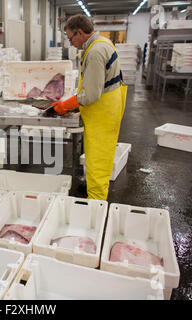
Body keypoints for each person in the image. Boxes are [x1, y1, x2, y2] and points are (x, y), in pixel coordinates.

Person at [52, 14, 127, 201]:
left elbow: (92, 94)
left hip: (102, 113)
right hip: (105, 108)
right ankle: (93, 191)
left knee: (97, 162)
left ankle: (96, 206)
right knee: (97, 159)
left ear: (80, 32)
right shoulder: (103, 42)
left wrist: (65, 105)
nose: (70, 43)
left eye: (70, 38)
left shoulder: (95, 52)